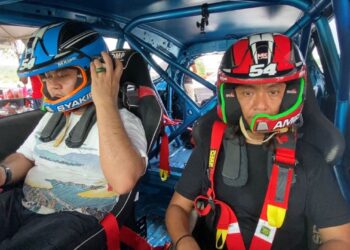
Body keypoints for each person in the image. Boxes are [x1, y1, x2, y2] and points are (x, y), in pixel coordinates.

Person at [166, 33, 350, 250]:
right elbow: (177, 207)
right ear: (233, 98)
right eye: (247, 92)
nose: (260, 105)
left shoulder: (309, 161)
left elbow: (340, 239)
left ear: (290, 95)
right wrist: (184, 241)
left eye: (273, 91)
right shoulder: (212, 146)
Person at [0, 21, 147, 249]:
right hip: (21, 202)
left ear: (93, 72)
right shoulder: (53, 116)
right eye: (47, 76)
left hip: (72, 216)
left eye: (63, 74)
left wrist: (104, 100)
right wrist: (4, 173)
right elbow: (25, 157)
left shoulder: (125, 121)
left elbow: (123, 181)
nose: (52, 85)